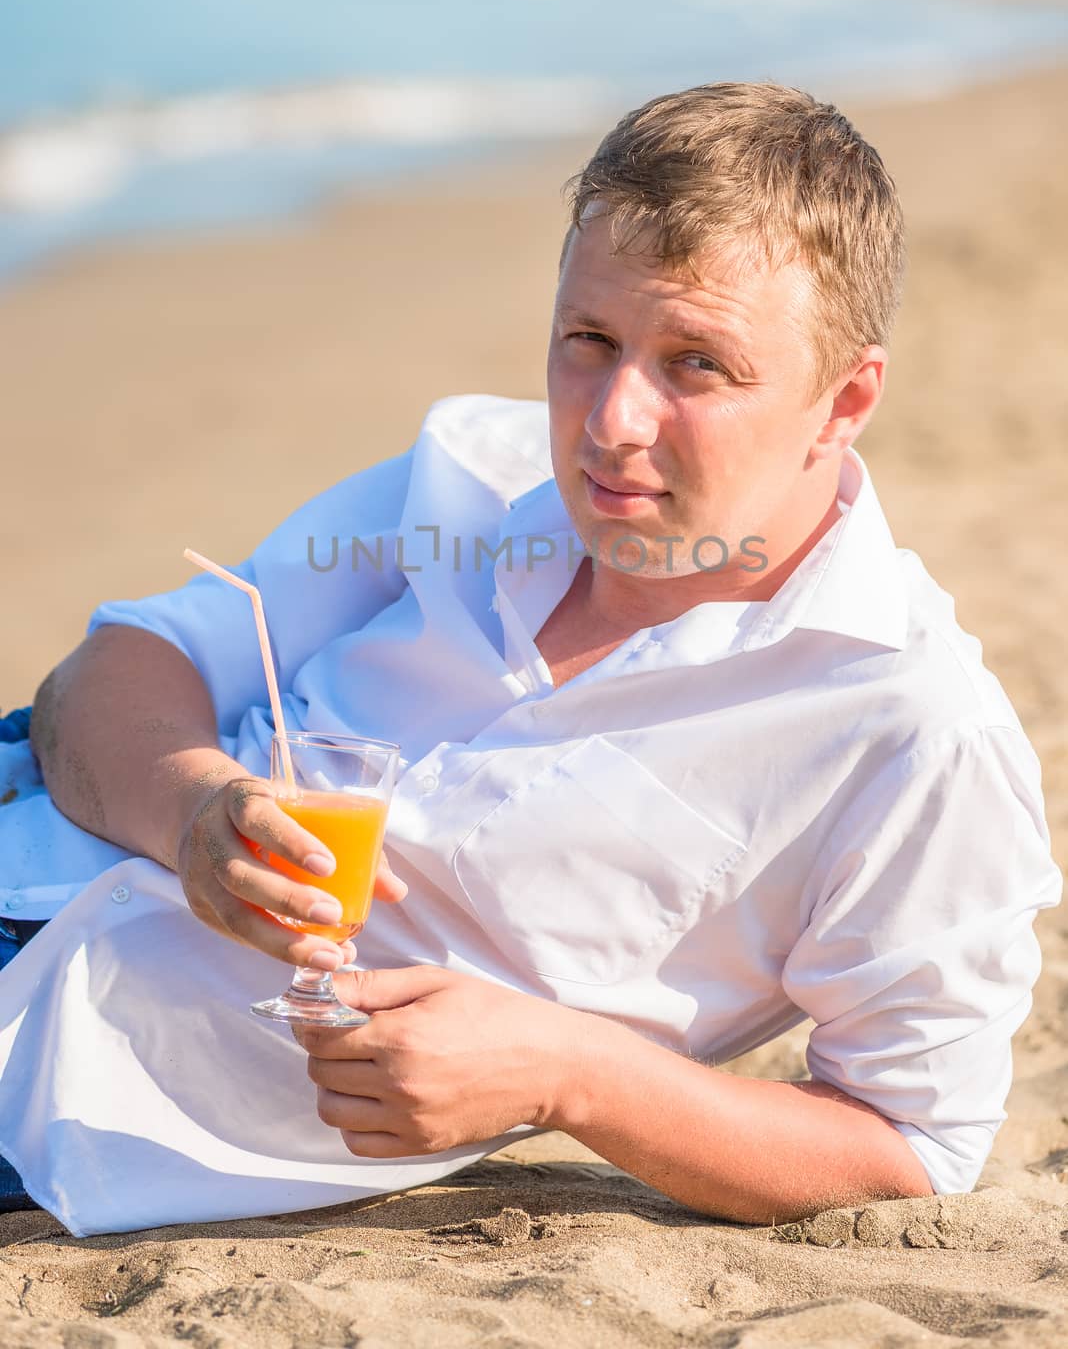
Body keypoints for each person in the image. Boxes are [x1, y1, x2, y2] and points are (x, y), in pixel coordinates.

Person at [0, 82, 1060, 1238]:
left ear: (844, 400)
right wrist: (195, 808)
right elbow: (118, 666)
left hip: (81, 1094)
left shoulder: (910, 729)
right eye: (589, 340)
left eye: (696, 364)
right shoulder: (470, 468)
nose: (611, 421)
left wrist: (574, 1073)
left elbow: (916, 1144)